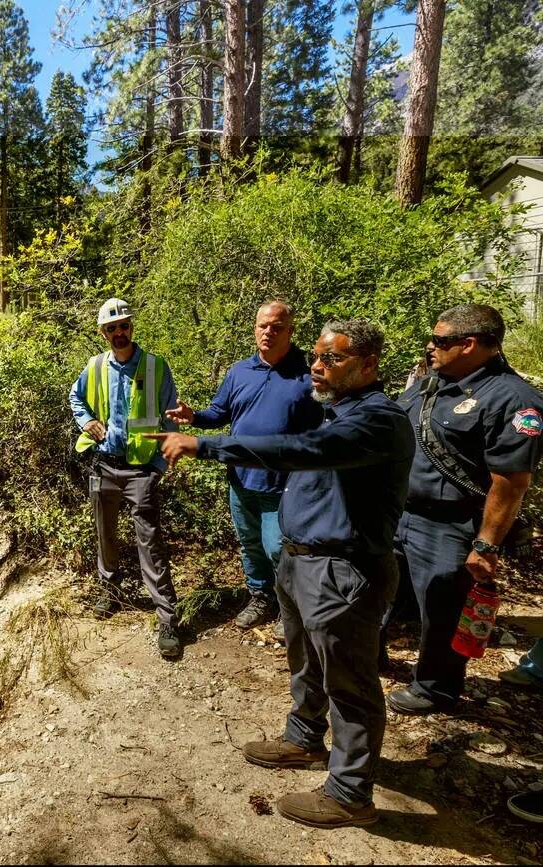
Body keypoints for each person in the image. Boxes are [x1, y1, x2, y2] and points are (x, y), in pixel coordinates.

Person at [144, 319, 415, 829]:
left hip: (343, 570)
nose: (317, 366)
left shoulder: (377, 420)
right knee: (306, 661)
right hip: (301, 562)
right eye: (316, 356)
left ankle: (350, 794)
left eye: (331, 358)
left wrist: (206, 444)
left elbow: (299, 450)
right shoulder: (335, 410)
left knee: (350, 683)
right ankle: (304, 738)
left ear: (368, 364)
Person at [385, 304, 543, 716]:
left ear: (469, 344)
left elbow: (510, 485)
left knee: (442, 610)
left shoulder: (515, 400)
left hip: (450, 524)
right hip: (401, 514)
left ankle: (436, 688)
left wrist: (486, 545)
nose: (429, 347)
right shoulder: (430, 383)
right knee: (382, 591)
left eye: (439, 340)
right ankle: (372, 655)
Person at [166, 300, 321, 628]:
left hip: (284, 484)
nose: (268, 332)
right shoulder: (239, 371)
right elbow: (218, 414)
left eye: (276, 327)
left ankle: (289, 608)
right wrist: (194, 417)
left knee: (279, 548)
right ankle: (260, 597)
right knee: (251, 545)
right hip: (240, 480)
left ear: (290, 331)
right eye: (262, 326)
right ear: (254, 329)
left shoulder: (309, 375)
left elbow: (324, 431)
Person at [69, 297, 182, 659]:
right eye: (112, 328)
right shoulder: (96, 366)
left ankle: (166, 616)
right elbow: (76, 397)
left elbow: (169, 418)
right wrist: (86, 421)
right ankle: (111, 592)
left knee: (150, 542)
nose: (119, 332)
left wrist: (158, 468)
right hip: (103, 465)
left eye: (124, 326)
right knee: (105, 535)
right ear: (103, 333)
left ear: (132, 327)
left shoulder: (155, 366)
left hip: (141, 471)